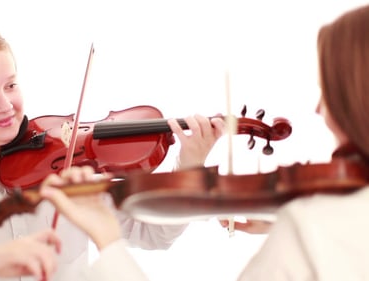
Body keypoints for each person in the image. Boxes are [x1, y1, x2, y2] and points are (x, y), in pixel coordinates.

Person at [0, 21, 225, 280]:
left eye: (10, 85)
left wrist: (190, 164)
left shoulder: (70, 169)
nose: (6, 105)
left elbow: (154, 235)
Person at [39, 4, 369, 281]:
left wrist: (108, 241)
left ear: (355, 97)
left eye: (327, 90)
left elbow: (153, 234)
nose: (318, 108)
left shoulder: (309, 226)